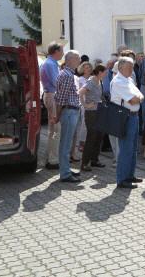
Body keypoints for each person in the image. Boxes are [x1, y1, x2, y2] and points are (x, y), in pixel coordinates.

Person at [111, 57, 144, 189]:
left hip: (133, 116)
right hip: (125, 117)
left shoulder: (128, 79)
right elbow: (134, 100)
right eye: (129, 67)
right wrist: (139, 98)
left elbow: (140, 96)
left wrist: (139, 98)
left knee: (132, 148)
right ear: (120, 68)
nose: (132, 70)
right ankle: (122, 179)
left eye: (132, 67)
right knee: (126, 149)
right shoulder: (119, 81)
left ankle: (130, 175)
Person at [55, 50, 82, 183]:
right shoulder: (67, 75)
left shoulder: (69, 74)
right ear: (70, 60)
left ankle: (66, 169)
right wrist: (57, 115)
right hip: (69, 112)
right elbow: (61, 98)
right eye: (77, 58)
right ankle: (65, 173)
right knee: (65, 144)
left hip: (72, 111)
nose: (79, 61)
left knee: (67, 142)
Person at [40, 41, 64, 170]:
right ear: (55, 51)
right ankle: (53, 160)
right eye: (61, 50)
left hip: (50, 96)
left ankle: (50, 158)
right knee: (55, 130)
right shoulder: (50, 64)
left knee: (52, 130)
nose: (63, 53)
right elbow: (57, 83)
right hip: (52, 96)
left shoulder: (50, 63)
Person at [79, 64, 107, 171]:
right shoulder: (91, 81)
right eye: (104, 72)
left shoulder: (99, 81)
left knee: (99, 136)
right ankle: (85, 163)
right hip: (91, 113)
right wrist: (85, 105)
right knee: (91, 137)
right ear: (100, 72)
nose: (105, 74)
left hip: (98, 112)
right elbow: (80, 93)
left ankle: (94, 160)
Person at [73, 61, 93, 161]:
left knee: (90, 124)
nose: (88, 69)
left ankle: (88, 142)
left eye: (89, 67)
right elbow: (79, 92)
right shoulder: (80, 79)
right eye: (85, 67)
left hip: (93, 103)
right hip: (83, 103)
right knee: (83, 124)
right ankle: (81, 143)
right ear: (82, 69)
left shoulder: (93, 78)